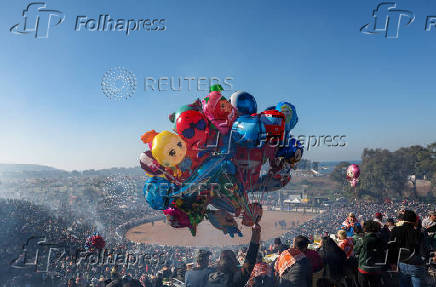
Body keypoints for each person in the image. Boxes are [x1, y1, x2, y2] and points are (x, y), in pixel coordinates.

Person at [205, 221, 261, 287]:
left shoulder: (208, 279)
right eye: (234, 259)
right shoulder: (235, 280)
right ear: (234, 264)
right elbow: (250, 261)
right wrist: (255, 234)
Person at [388, 209, 430, 287]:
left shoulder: (395, 230)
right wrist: (425, 261)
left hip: (401, 263)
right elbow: (424, 249)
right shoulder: (419, 232)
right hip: (416, 264)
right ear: (414, 220)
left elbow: (391, 247)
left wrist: (392, 262)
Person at [354, 220, 386, 287]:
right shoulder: (382, 239)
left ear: (366, 228)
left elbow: (356, 251)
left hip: (364, 267)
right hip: (377, 267)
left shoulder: (363, 239)